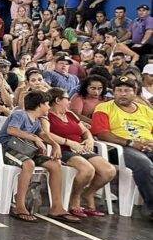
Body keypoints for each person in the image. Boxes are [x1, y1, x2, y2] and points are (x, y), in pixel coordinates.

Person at [0, 90, 81, 223]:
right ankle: (19, 206)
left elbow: (43, 135)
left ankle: (57, 207)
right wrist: (34, 138)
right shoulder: (20, 114)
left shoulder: (36, 121)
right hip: (8, 150)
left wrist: (55, 145)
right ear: (40, 104)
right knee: (28, 164)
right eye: (47, 104)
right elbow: (11, 130)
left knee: (55, 164)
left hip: (25, 151)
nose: (49, 107)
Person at [41, 87, 114, 218]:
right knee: (87, 170)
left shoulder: (70, 114)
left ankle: (89, 193)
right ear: (58, 100)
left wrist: (90, 139)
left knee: (108, 171)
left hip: (80, 148)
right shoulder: (47, 115)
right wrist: (68, 142)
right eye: (67, 99)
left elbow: (85, 131)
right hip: (62, 150)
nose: (69, 102)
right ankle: (75, 199)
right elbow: (46, 134)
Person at [91, 76, 153, 220]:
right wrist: (131, 143)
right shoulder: (104, 108)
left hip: (147, 145)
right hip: (120, 148)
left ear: (135, 92)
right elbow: (102, 134)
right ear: (113, 92)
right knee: (143, 164)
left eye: (127, 90)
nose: (123, 94)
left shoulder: (146, 110)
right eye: (119, 90)